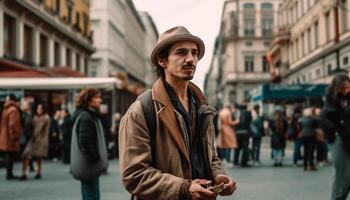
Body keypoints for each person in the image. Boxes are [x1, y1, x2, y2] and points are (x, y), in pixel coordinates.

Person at [119, 26, 236, 200]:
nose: (191, 59)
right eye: (181, 53)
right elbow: (134, 175)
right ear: (162, 60)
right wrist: (184, 188)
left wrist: (218, 175)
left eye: (194, 53)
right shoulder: (141, 110)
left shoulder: (201, 107)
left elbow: (210, 156)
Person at [71, 87, 107, 200]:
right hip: (89, 166)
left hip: (87, 165)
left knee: (88, 194)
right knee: (92, 195)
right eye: (96, 97)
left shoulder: (86, 115)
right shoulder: (86, 117)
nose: (100, 100)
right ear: (88, 100)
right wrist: (95, 159)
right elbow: (85, 141)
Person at [320, 74, 350, 200]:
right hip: (338, 140)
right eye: (343, 88)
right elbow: (323, 117)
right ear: (337, 88)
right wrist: (334, 131)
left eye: (348, 88)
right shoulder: (330, 101)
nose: (346, 91)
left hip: (348, 138)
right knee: (343, 173)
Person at [20, 104, 51, 180]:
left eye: (40, 108)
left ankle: (38, 172)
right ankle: (24, 173)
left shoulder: (47, 118)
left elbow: (47, 131)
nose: (39, 109)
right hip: (33, 139)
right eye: (38, 108)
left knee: (38, 157)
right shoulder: (34, 117)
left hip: (41, 140)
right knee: (26, 154)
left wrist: (45, 142)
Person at [0, 94, 22, 180]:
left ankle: (9, 173)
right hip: (9, 137)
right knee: (10, 156)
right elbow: (13, 125)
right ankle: (9, 174)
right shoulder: (13, 110)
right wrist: (15, 135)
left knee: (8, 155)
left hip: (4, 136)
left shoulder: (6, 110)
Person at [233, 102, 252, 167]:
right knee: (245, 148)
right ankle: (243, 162)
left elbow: (233, 122)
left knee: (237, 148)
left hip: (237, 132)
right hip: (245, 132)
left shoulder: (236, 113)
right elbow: (250, 121)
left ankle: (235, 162)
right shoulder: (248, 113)